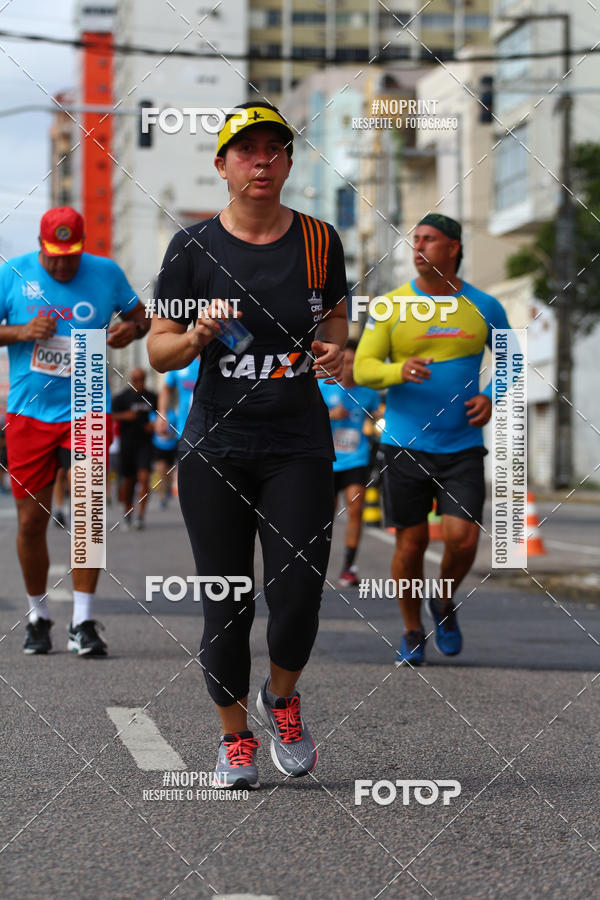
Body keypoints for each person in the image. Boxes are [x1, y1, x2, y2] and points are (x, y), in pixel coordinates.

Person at [148, 101, 348, 790]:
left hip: (298, 443)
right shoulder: (192, 249)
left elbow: (337, 321)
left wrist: (335, 352)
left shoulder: (321, 241)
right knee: (226, 603)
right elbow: (160, 352)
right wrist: (198, 335)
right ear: (222, 164)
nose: (261, 161)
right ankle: (235, 739)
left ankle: (283, 700)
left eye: (274, 149)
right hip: (216, 448)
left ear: (289, 162)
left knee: (297, 597)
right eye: (246, 151)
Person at [354, 213, 512, 666]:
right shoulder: (391, 306)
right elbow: (364, 368)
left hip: (461, 445)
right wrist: (396, 371)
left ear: (454, 248)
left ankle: (442, 602)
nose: (419, 247)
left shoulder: (484, 305)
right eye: (415, 239)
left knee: (463, 539)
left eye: (430, 239)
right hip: (404, 446)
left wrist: (490, 397)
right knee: (412, 543)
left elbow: (510, 361)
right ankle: (410, 629)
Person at [0, 206, 148, 655]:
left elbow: (142, 318)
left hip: (86, 405)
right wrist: (22, 330)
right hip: (29, 411)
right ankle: (38, 615)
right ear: (41, 246)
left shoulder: (105, 272)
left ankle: (82, 621)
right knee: (31, 521)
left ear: (81, 247)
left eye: (70, 256)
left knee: (87, 516)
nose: (62, 265)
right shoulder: (14, 273)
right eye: (54, 257)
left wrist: (130, 330)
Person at [318, 339, 381, 587]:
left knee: (356, 510)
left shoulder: (368, 392)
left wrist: (377, 418)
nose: (350, 366)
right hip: (328, 460)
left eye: (355, 362)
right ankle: (317, 564)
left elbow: (378, 414)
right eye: (346, 361)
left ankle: (348, 567)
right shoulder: (323, 386)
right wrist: (329, 414)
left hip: (356, 459)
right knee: (326, 514)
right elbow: (306, 417)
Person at [112, 367, 157, 529]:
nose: (139, 383)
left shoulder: (152, 397)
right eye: (136, 379)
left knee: (144, 477)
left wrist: (155, 424)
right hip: (127, 443)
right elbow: (107, 416)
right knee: (128, 480)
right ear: (131, 379)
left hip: (145, 443)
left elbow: (161, 416)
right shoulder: (122, 398)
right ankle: (127, 511)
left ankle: (140, 516)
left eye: (141, 379)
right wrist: (125, 416)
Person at [150, 406, 178, 507]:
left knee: (168, 473)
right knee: (160, 470)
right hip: (158, 446)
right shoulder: (154, 414)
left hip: (171, 446)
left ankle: (168, 489)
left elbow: (176, 428)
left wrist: (170, 434)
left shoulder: (173, 414)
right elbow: (152, 427)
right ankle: (162, 496)